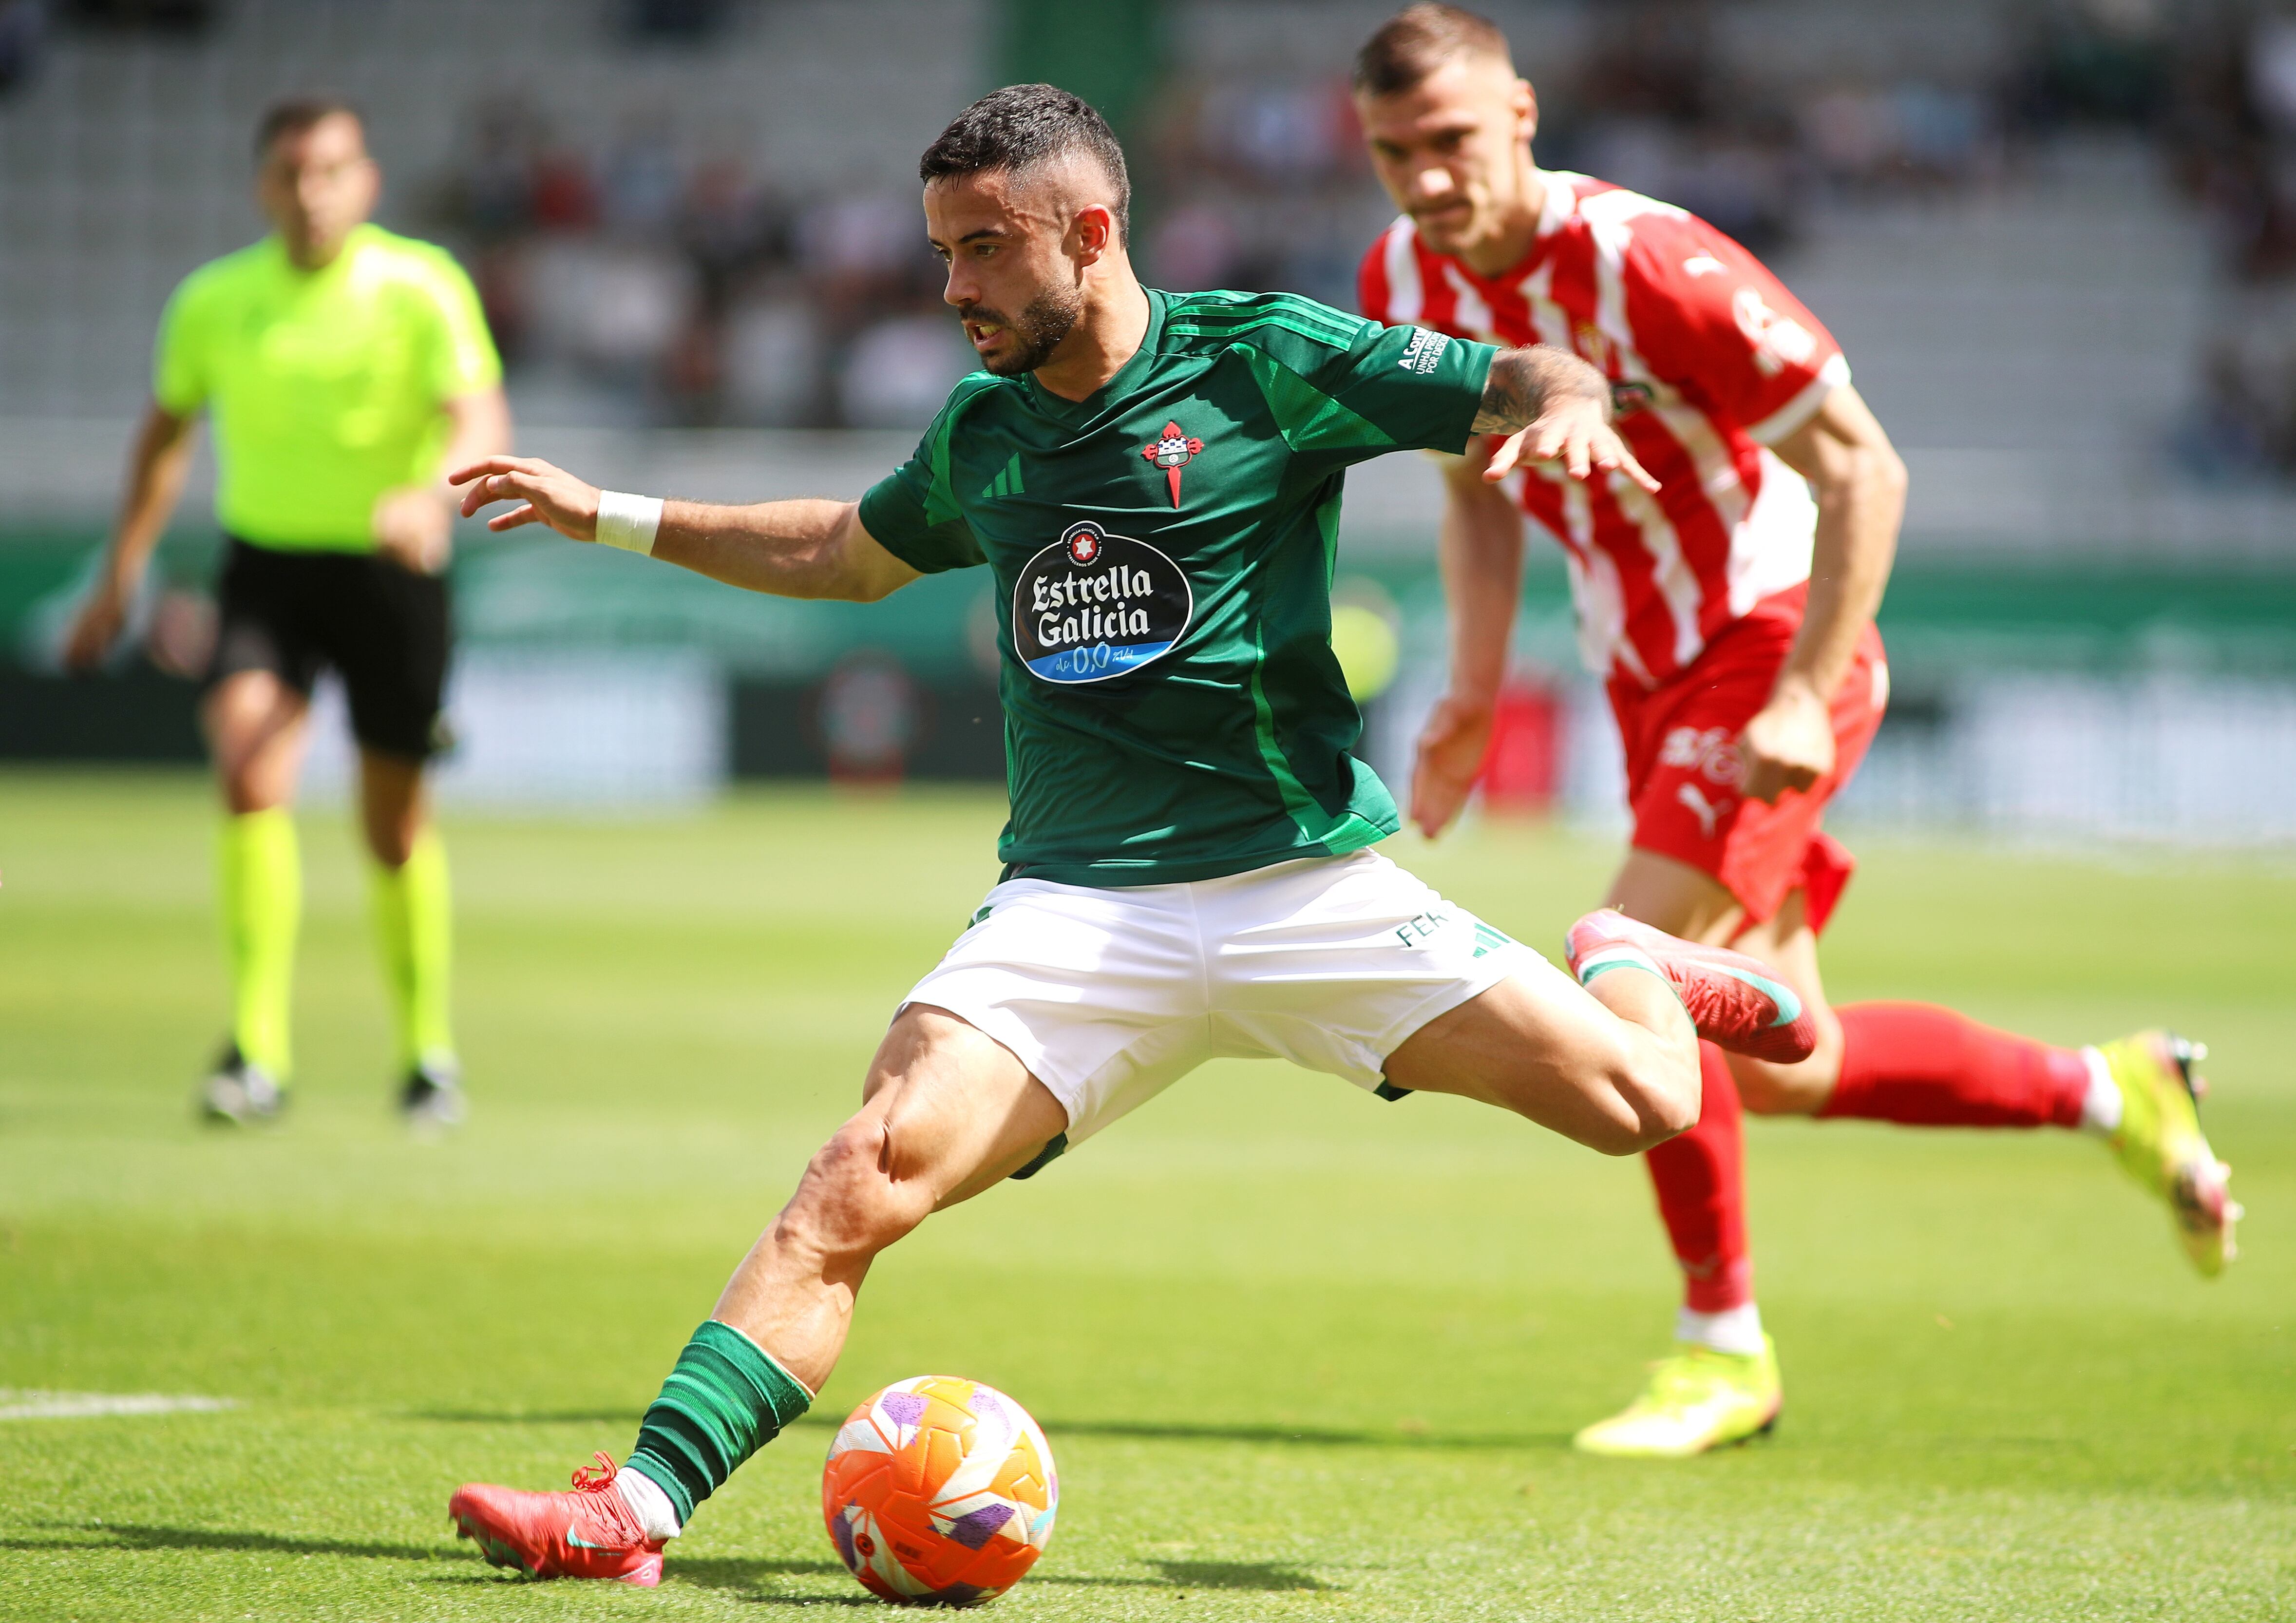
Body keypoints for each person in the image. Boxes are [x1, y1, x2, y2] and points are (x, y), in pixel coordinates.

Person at [437, 85, 1813, 1590]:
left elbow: (1528, 372)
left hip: (1306, 889)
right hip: (1078, 915)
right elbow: (846, 551)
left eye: (980, 249)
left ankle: (1621, 956)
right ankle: (633, 1510)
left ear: (1089, 233)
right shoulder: (987, 427)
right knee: (860, 1171)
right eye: (940, 251)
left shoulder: (1267, 359)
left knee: (1643, 1100)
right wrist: (616, 514)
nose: (951, 288)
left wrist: (1561, 406)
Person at [1349, 4, 2240, 1459]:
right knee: (1783, 1061)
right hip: (1649, 679)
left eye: (1450, 140)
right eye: (1396, 152)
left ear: (1519, 113)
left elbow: (1862, 466)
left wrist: (1796, 689)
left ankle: (1721, 1346)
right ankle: (2109, 1087)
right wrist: (1469, 692)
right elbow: (1473, 491)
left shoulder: (1656, 263)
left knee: (1622, 959)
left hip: (1767, 643)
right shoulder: (1402, 274)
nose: (1428, 179)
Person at [65, 98, 510, 1127]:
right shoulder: (214, 302)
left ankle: (424, 1054)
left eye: (330, 171)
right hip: (265, 569)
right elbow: (164, 437)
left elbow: (478, 411)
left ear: (367, 181)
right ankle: (256, 1050)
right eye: (290, 175)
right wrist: (121, 576)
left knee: (392, 823)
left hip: (393, 575)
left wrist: (433, 492)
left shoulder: (419, 285)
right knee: (247, 763)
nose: (311, 194)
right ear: (263, 186)